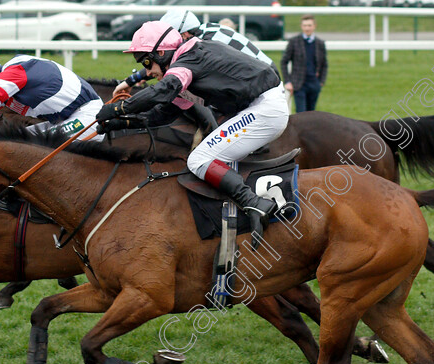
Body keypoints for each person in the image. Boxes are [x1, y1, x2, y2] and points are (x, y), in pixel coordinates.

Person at [96, 21, 289, 243]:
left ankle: (255, 204)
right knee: (204, 156)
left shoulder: (188, 61)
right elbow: (161, 115)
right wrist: (121, 123)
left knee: (199, 160)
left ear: (161, 52)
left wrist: (118, 108)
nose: (147, 72)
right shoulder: (186, 65)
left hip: (265, 109)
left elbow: (162, 90)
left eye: (147, 62)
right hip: (260, 107)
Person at [112, 9, 279, 98]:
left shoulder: (203, 44)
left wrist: (133, 81)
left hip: (265, 88)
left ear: (183, 35)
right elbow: (163, 60)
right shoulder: (206, 30)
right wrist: (132, 80)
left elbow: (170, 62)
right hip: (262, 80)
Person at [281, 15, 328, 113]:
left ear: (314, 26)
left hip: (314, 83)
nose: (307, 28)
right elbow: (284, 61)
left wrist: (321, 81)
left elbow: (324, 63)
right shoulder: (294, 42)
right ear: (301, 26)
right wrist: (288, 81)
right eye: (305, 25)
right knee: (301, 113)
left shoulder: (320, 43)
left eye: (309, 25)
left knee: (311, 113)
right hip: (299, 84)